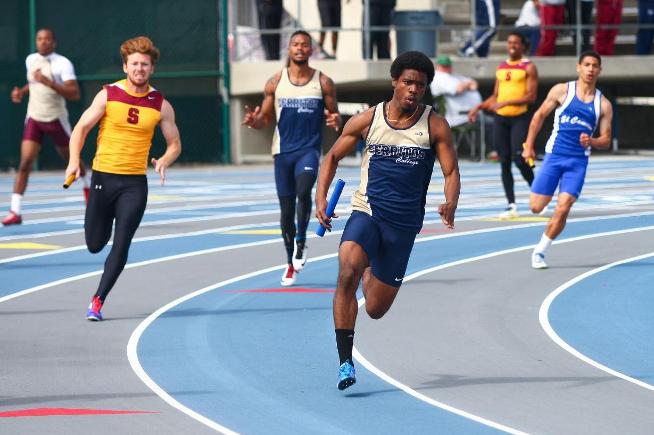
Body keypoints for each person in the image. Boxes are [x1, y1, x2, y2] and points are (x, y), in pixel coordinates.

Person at [315, 51, 460, 390]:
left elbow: (451, 171)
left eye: (420, 85)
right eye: (408, 82)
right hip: (367, 210)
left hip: (404, 225)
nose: (413, 90)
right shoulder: (369, 119)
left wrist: (450, 201)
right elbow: (332, 156)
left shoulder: (434, 125)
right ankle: (345, 362)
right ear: (395, 81)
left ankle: (372, 264)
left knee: (376, 308)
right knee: (347, 266)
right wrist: (320, 198)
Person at [65, 36, 182, 320]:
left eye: (144, 64)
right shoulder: (107, 94)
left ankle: (98, 300)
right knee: (95, 244)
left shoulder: (160, 104)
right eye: (134, 64)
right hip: (104, 178)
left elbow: (175, 143)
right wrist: (73, 161)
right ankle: (101, 229)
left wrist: (165, 159)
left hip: (134, 184)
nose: (139, 68)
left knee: (122, 242)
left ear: (152, 68)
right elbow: (80, 129)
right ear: (125, 66)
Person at [241, 30, 340, 286]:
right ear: (289, 48)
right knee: (286, 211)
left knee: (304, 190)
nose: (299, 48)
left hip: (308, 150)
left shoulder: (324, 82)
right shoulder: (275, 82)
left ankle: (301, 242)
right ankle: (289, 263)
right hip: (282, 152)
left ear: (310, 50)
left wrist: (335, 120)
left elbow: (334, 116)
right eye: (295, 44)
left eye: (304, 45)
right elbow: (264, 119)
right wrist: (254, 121)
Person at [522, 50, 612, 269]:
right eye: (587, 64)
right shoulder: (563, 90)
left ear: (600, 70)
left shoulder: (603, 104)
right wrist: (529, 145)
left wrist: (593, 141)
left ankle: (540, 252)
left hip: (577, 163)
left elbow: (607, 139)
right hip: (554, 156)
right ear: (578, 67)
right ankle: (544, 204)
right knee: (535, 207)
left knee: (563, 208)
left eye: (595, 66)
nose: (591, 69)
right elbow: (539, 116)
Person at [3, 28, 90, 226]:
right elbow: (34, 83)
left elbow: (74, 93)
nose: (43, 42)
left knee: (72, 161)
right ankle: (15, 211)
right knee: (25, 162)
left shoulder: (62, 63)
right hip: (34, 117)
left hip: (56, 119)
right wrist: (21, 92)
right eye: (40, 39)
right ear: (36, 42)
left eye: (47, 39)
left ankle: (88, 187)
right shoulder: (30, 59)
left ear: (54, 42)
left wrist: (50, 83)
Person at [469, 32, 537, 218]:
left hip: (519, 118)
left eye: (516, 42)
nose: (512, 45)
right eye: (509, 42)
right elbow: (495, 96)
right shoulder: (501, 66)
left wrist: (507, 103)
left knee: (519, 159)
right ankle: (511, 205)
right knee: (504, 161)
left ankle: (537, 192)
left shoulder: (528, 67)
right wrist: (479, 107)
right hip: (501, 119)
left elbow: (531, 97)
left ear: (523, 46)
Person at [430, 55, 483, 156]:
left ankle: (481, 153)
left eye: (448, 65)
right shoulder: (438, 78)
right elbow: (458, 89)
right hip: (458, 116)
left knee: (490, 120)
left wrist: (465, 86)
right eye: (444, 66)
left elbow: (474, 84)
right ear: (438, 66)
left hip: (471, 114)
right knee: (489, 123)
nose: (447, 68)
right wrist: (467, 85)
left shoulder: (454, 76)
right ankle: (484, 153)